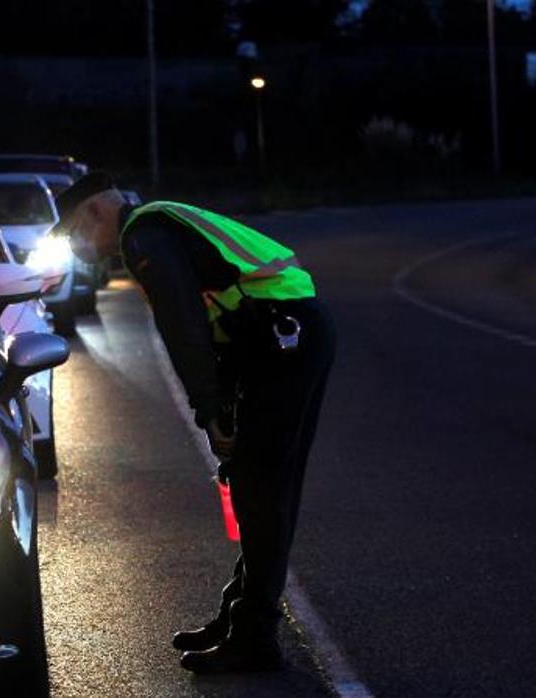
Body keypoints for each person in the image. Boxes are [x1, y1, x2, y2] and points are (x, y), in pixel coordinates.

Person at [53, 172, 335, 673]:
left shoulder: (144, 236)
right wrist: (223, 402)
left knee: (260, 488)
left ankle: (255, 638)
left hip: (281, 339)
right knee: (257, 484)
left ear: (96, 213)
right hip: (281, 336)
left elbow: (183, 327)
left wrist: (208, 408)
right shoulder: (157, 224)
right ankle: (240, 614)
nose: (75, 248)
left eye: (73, 232)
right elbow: (216, 321)